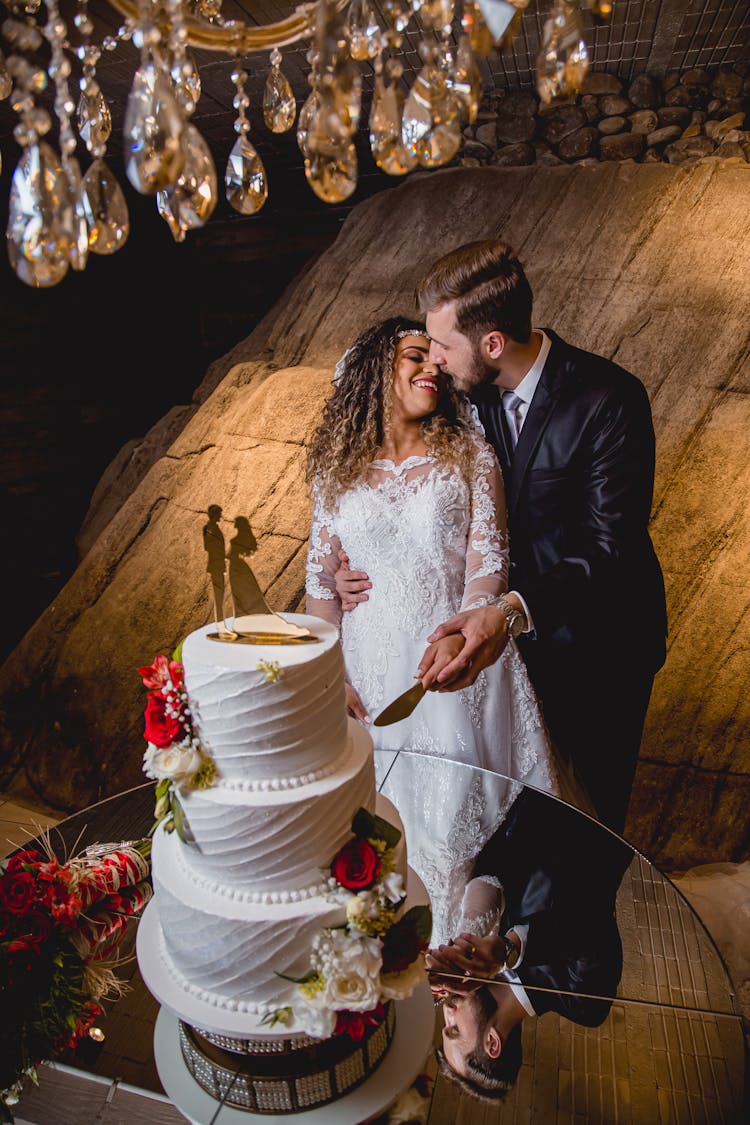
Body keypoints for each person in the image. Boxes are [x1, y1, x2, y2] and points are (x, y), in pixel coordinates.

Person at [335, 241, 667, 833]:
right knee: (513, 826)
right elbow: (418, 495)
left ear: (492, 343)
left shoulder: (609, 398)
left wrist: (507, 611)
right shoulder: (464, 398)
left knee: (587, 828)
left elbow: (608, 548)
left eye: (441, 344)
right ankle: (509, 929)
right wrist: (353, 567)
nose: (432, 359)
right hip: (503, 649)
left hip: (598, 644)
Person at [305, 316, 588, 941]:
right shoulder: (335, 475)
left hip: (454, 672)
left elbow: (488, 568)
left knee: (454, 839)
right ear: (377, 371)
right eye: (415, 355)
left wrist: (465, 638)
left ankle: (458, 998)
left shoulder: (471, 455)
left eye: (437, 356)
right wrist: (332, 680)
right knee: (378, 846)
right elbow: (321, 594)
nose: (432, 366)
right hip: (369, 680)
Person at [426, 787, 631, 1100]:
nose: (447, 1013)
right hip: (588, 788)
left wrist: (468, 929)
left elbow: (495, 857)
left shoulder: (477, 952)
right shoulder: (584, 1005)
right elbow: (591, 930)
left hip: (518, 775)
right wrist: (509, 949)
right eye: (454, 1030)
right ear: (493, 1043)